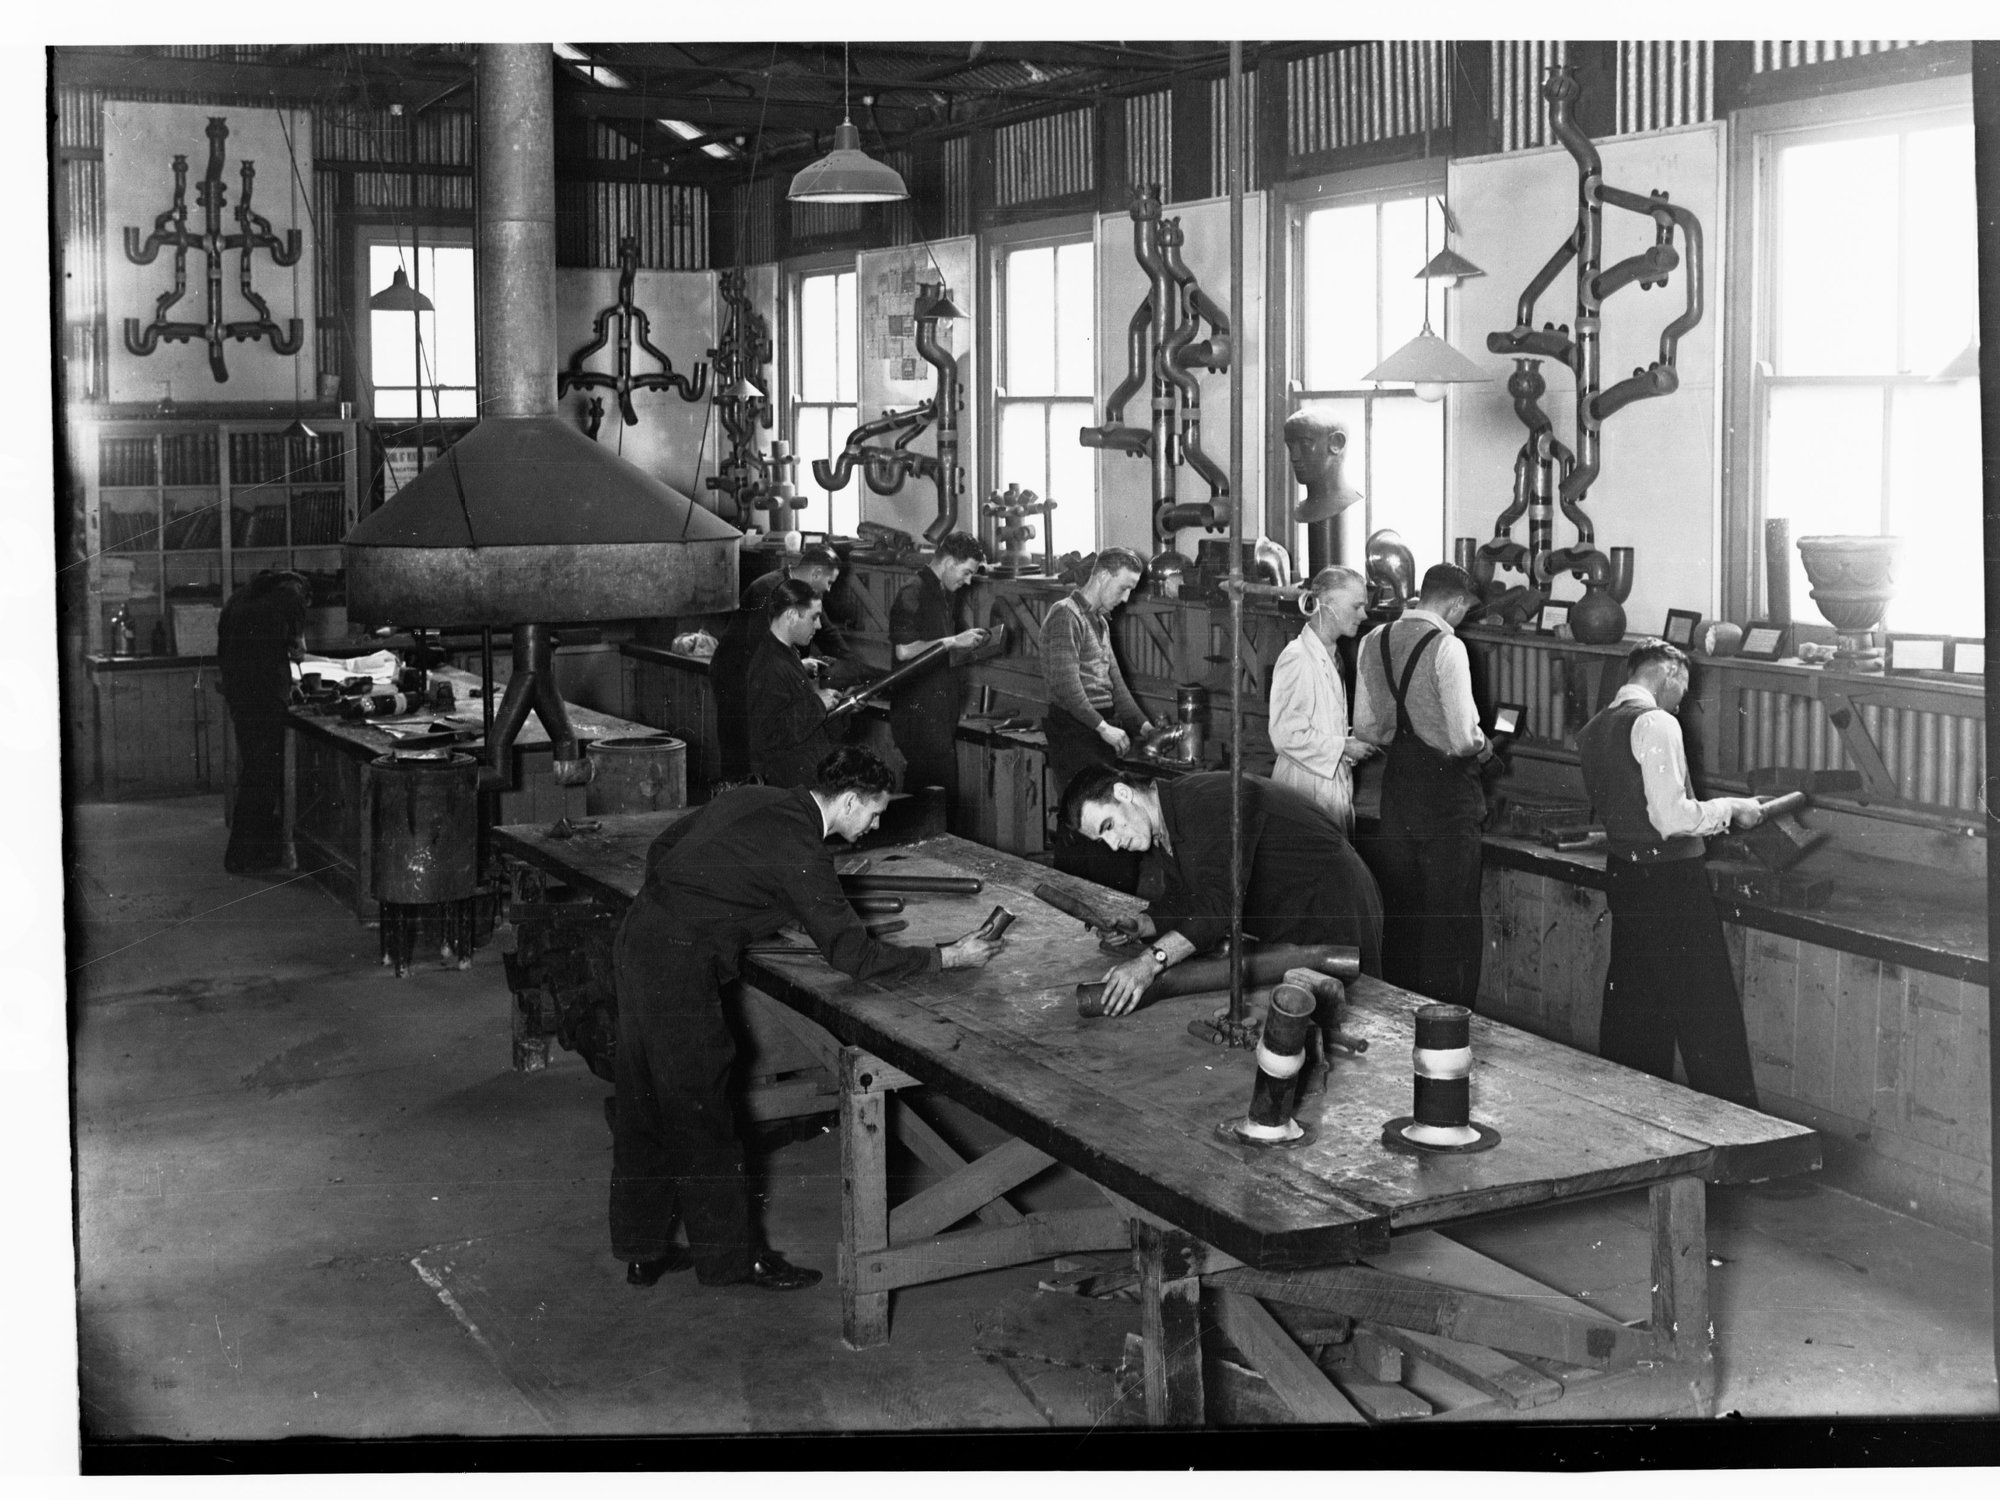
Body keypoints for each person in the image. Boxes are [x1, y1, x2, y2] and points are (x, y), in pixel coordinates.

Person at [611, 746, 1002, 1290]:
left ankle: (641, 1250)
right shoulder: (803, 851)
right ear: (846, 801)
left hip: (637, 938)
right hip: (677, 965)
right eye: (874, 812)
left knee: (645, 1101)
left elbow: (665, 848)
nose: (875, 824)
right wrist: (946, 957)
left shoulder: (759, 797)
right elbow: (856, 958)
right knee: (705, 1114)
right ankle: (732, 1262)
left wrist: (715, 906)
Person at [1578, 640, 1767, 1109]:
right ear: (1666, 673)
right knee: (1708, 1016)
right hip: (1671, 885)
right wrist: (1733, 808)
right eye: (1682, 688)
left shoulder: (1595, 728)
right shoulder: (1656, 722)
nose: (1682, 700)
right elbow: (1672, 818)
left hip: (1626, 877)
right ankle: (1737, 1145)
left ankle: (1631, 1128)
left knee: (1635, 1014)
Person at [1060, 765, 1384, 1016]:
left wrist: (1149, 963)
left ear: (1123, 793)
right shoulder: (1165, 825)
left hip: (1334, 900)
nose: (1114, 845)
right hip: (1290, 911)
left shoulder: (1201, 804)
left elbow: (1217, 909)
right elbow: (1186, 900)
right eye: (1102, 840)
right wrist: (1143, 924)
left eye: (1108, 827)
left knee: (1355, 1016)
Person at [1352, 562, 1492, 1008]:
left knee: (1405, 913)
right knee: (1450, 919)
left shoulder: (1373, 640)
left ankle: (1400, 1015)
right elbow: (1463, 737)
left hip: (1398, 792)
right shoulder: (1448, 648)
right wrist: (1484, 745)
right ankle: (1449, 1023)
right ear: (1455, 603)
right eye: (1464, 611)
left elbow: (1366, 728)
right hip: (1447, 798)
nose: (1462, 619)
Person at [713, 548, 852, 786]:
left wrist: (852, 667)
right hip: (736, 680)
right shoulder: (766, 590)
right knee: (744, 761)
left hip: (768, 674)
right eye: (829, 582)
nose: (829, 589)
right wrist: (797, 666)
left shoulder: (806, 596)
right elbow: (758, 649)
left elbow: (827, 632)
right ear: (817, 573)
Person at [1267, 565, 1376, 833]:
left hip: (1326, 785)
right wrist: (1343, 747)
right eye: (1356, 606)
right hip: (1303, 789)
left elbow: (1321, 723)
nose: (1363, 614)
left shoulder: (1331, 654)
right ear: (1327, 605)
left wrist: (1348, 743)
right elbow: (1284, 735)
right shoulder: (1298, 658)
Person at [887, 531, 992, 807]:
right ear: (948, 563)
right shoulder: (913, 591)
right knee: (927, 800)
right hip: (917, 717)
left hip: (938, 714)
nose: (968, 581)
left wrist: (965, 646)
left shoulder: (945, 593)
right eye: (966, 572)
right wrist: (952, 641)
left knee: (940, 798)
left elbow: (938, 649)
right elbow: (904, 650)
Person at [216, 569, 310, 874]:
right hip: (263, 697)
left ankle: (256, 849)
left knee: (256, 770)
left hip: (239, 692)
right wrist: (290, 671)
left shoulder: (242, 598)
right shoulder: (290, 598)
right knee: (262, 773)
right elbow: (297, 650)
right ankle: (242, 856)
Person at [1039, 547, 1155, 788]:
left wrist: (1146, 728)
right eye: (1123, 588)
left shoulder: (1099, 620)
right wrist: (1103, 728)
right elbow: (1067, 687)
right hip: (1074, 731)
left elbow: (1116, 684)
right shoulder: (1065, 615)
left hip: (1099, 728)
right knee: (1082, 815)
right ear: (1102, 576)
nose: (1125, 599)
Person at [745, 578, 845, 789]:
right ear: (791, 615)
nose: (818, 625)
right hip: (789, 786)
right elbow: (770, 733)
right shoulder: (769, 666)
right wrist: (818, 704)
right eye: (814, 617)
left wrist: (843, 706)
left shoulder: (787, 654)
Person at [1283, 409, 1363, 525]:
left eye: (1305, 445)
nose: (1294, 457)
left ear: (1336, 443)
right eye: (1290, 447)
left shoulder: (1356, 509)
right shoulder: (1297, 510)